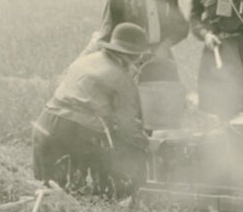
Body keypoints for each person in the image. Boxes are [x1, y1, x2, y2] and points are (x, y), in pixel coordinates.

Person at [31, 22, 155, 197]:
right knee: (84, 194)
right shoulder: (121, 78)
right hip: (73, 132)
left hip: (45, 124)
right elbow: (128, 126)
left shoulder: (86, 59)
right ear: (134, 55)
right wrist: (147, 145)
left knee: (47, 191)